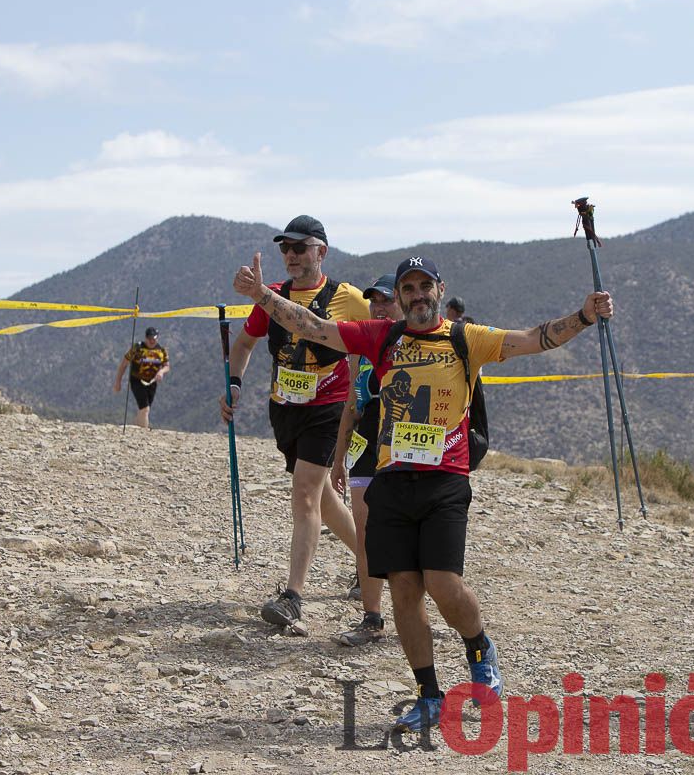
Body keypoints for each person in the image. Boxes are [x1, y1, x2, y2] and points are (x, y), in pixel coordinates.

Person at [232, 252, 613, 731]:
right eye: (407, 289)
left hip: (445, 481)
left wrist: (582, 316)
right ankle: (428, 695)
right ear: (400, 296)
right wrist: (262, 296)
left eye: (423, 287)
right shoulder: (382, 336)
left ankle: (479, 648)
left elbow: (532, 340)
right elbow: (312, 328)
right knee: (405, 592)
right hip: (392, 481)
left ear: (438, 288)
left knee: (443, 584)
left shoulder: (463, 339)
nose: (416, 296)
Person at [218, 215, 364, 633]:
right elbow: (245, 342)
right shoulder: (273, 296)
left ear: (322, 251)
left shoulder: (346, 297)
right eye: (285, 248)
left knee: (303, 494)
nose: (291, 255)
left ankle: (293, 597)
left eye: (300, 248)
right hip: (284, 408)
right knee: (320, 499)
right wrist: (234, 383)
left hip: (329, 409)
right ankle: (370, 561)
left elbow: (381, 332)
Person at [329, 273, 402, 647]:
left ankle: (418, 614)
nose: (379, 307)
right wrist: (339, 459)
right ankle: (372, 618)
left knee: (409, 537)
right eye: (374, 302)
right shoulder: (360, 351)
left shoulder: (415, 345)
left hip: (405, 451)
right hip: (364, 451)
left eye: (387, 300)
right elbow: (351, 406)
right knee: (366, 537)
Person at [114, 327, 170, 429]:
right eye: (149, 339)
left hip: (152, 382)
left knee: (143, 409)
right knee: (145, 408)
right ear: (145, 338)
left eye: (154, 338)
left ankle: (136, 428)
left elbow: (167, 366)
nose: (152, 341)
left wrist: (161, 372)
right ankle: (143, 433)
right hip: (137, 380)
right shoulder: (137, 348)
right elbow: (124, 364)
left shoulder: (162, 350)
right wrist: (118, 382)